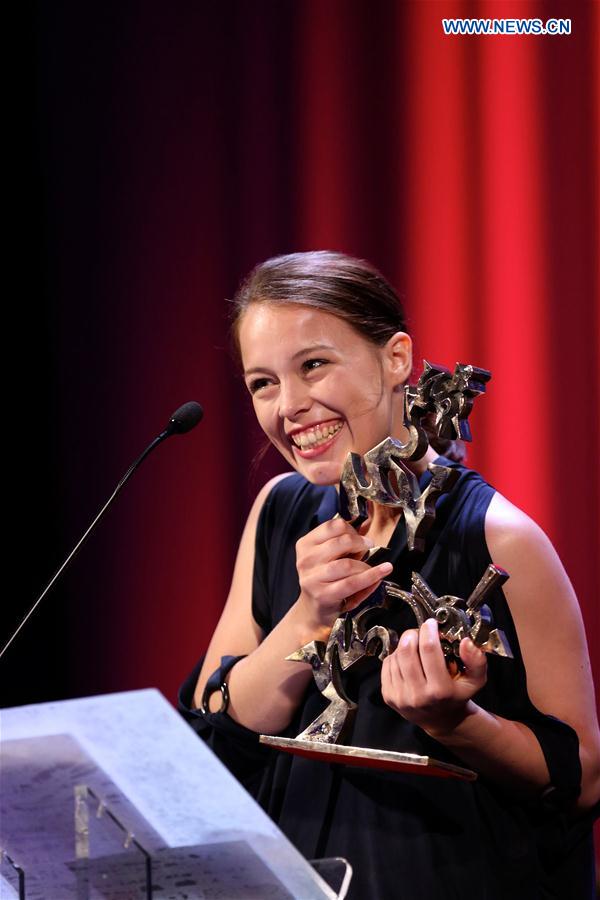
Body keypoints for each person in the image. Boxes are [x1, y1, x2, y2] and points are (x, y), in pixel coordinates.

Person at [179, 251, 600, 899]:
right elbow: (219, 728)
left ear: (396, 358)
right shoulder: (278, 512)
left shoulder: (497, 538)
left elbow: (583, 780)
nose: (288, 406)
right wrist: (307, 616)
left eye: (313, 365)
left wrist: (458, 724)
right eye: (262, 383)